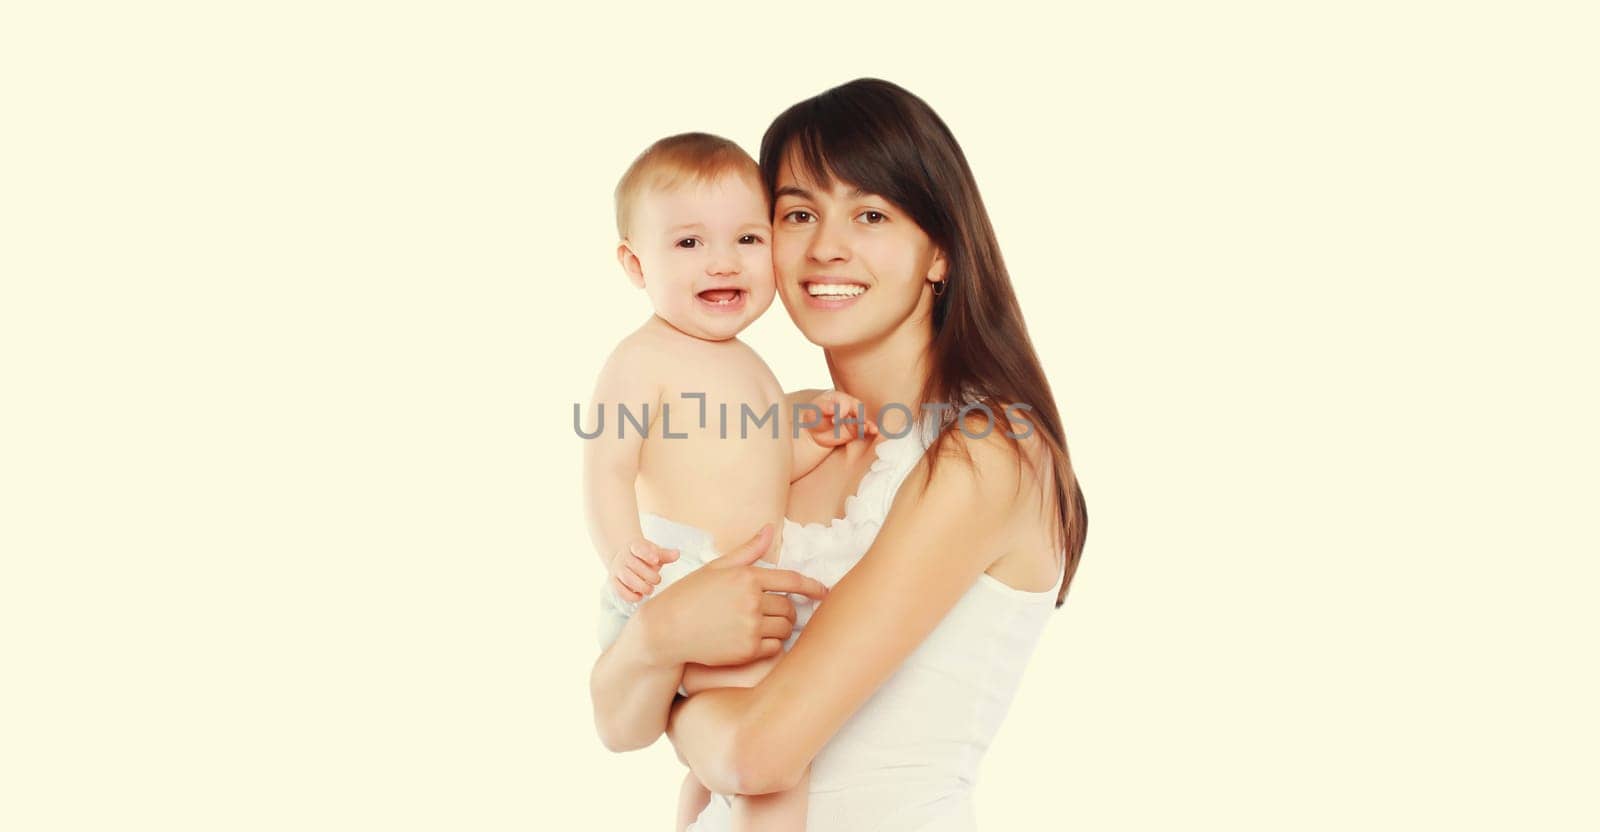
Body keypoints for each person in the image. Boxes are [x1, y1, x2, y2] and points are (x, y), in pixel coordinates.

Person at [589, 78, 1089, 831]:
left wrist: (669, 687)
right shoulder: (789, 439)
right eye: (797, 214)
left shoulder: (990, 454)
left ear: (941, 252)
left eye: (871, 214)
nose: (826, 247)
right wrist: (660, 638)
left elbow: (757, 754)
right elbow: (609, 723)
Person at [584, 131, 878, 831]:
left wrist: (811, 442)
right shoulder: (643, 358)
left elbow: (760, 470)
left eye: (747, 240)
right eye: (688, 244)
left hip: (732, 583)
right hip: (680, 578)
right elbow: (606, 467)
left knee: (720, 763)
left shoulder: (749, 363)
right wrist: (626, 555)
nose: (722, 261)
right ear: (634, 263)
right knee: (774, 755)